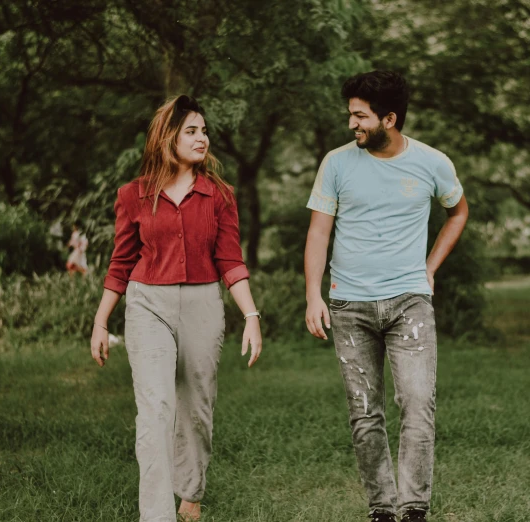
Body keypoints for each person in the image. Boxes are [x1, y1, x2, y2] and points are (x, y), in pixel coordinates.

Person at [304, 71, 469, 522]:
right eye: (351, 114)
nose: (352, 124)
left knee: (417, 403)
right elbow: (319, 232)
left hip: (409, 302)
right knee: (364, 413)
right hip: (348, 306)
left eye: (360, 116)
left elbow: (458, 212)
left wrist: (430, 267)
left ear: (389, 118)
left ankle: (413, 509)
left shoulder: (432, 163)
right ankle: (382, 509)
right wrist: (312, 296)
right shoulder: (336, 163)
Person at [90, 95, 263, 522]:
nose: (202, 137)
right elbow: (121, 261)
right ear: (167, 137)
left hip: (204, 303)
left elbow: (230, 259)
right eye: (192, 130)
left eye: (204, 131)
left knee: (197, 408)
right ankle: (156, 515)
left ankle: (190, 491)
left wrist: (252, 316)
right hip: (147, 303)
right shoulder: (133, 195)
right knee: (156, 408)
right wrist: (100, 320)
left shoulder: (219, 195)